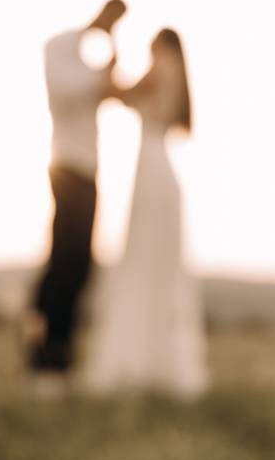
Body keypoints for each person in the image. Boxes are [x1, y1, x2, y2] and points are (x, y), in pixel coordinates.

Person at [82, 28, 208, 398]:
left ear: (160, 44)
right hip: (162, 169)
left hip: (151, 170)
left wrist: (108, 64)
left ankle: (137, 359)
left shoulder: (159, 67)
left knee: (140, 261)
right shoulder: (176, 74)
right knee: (159, 266)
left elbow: (116, 94)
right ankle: (158, 359)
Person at [28, 0, 127, 391]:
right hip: (67, 170)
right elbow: (96, 86)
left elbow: (107, 85)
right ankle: (47, 355)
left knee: (80, 264)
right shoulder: (59, 54)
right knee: (65, 262)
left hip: (88, 173)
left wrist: (109, 45)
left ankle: (61, 351)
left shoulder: (83, 64)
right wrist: (101, 33)